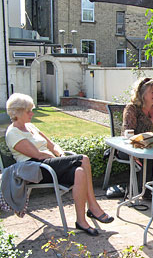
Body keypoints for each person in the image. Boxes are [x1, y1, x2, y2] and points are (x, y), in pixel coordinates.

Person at [5, 93, 113, 237]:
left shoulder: (30, 126)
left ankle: (81, 221)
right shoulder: (13, 133)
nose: (32, 113)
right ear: (17, 112)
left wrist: (61, 156)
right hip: (36, 169)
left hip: (48, 165)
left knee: (80, 171)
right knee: (83, 159)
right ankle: (93, 207)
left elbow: (52, 145)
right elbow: (37, 155)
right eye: (28, 111)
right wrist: (60, 160)